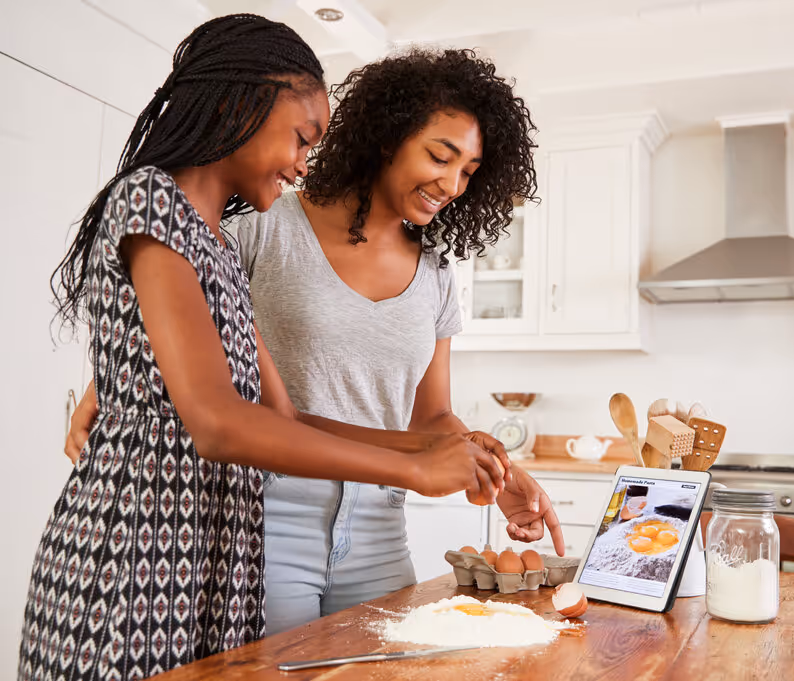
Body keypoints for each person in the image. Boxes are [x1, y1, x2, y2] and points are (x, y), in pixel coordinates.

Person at [24, 15, 506, 681]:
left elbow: (282, 419)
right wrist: (415, 470)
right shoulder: (151, 204)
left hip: (210, 554)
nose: (307, 159)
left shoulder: (218, 244)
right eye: (301, 136)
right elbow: (218, 421)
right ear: (236, 109)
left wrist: (434, 448)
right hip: (134, 549)